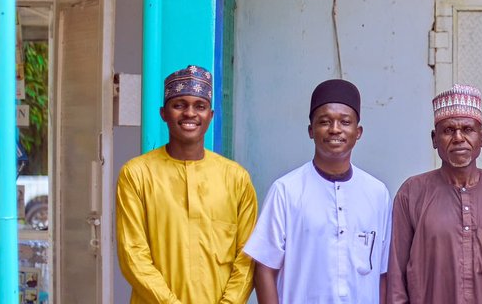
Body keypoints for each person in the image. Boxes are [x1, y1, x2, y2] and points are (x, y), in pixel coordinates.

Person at [116, 65, 258, 304]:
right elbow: (133, 255)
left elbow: (247, 258)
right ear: (163, 113)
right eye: (179, 105)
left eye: (200, 106)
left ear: (211, 115)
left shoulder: (236, 179)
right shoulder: (136, 174)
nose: (190, 113)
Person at [245, 78, 392, 303]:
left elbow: (383, 272)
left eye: (345, 122)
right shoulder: (286, 190)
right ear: (311, 130)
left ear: (358, 132)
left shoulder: (377, 193)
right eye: (325, 122)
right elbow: (264, 268)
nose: (335, 129)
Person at [387, 85, 482, 303]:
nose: (458, 137)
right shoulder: (412, 193)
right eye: (448, 130)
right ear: (434, 139)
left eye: (467, 129)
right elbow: (396, 281)